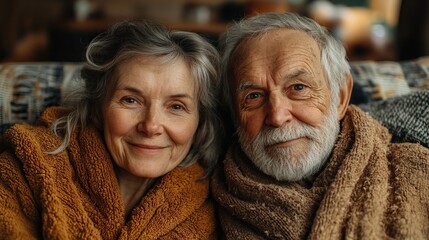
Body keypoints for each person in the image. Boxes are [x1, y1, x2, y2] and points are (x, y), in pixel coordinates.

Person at [211, 12, 429, 239]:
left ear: (342, 97)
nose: (277, 116)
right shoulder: (207, 202)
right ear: (234, 115)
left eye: (298, 88)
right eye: (254, 96)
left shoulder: (416, 171)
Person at [0, 20, 222, 239]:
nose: (151, 126)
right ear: (97, 108)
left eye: (176, 106)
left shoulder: (207, 208)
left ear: (199, 123)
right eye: (131, 100)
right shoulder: (30, 162)